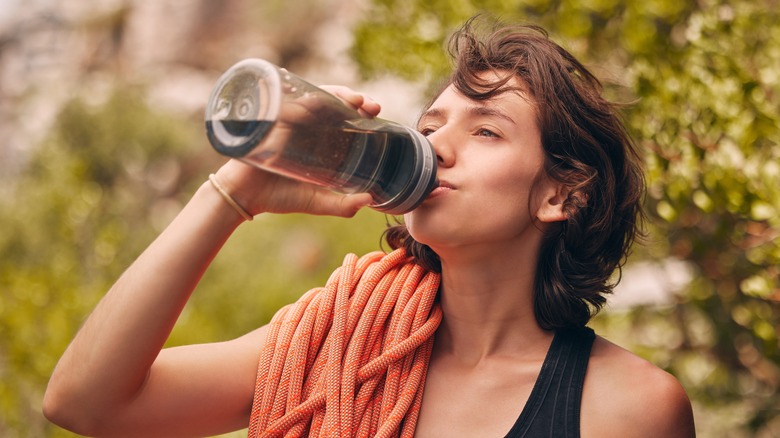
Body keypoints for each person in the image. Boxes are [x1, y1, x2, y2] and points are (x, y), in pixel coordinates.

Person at [43, 15, 696, 437]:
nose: (438, 146)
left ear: (561, 195)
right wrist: (234, 193)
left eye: (487, 131)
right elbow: (84, 402)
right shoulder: (335, 351)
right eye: (431, 126)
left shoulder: (630, 410)